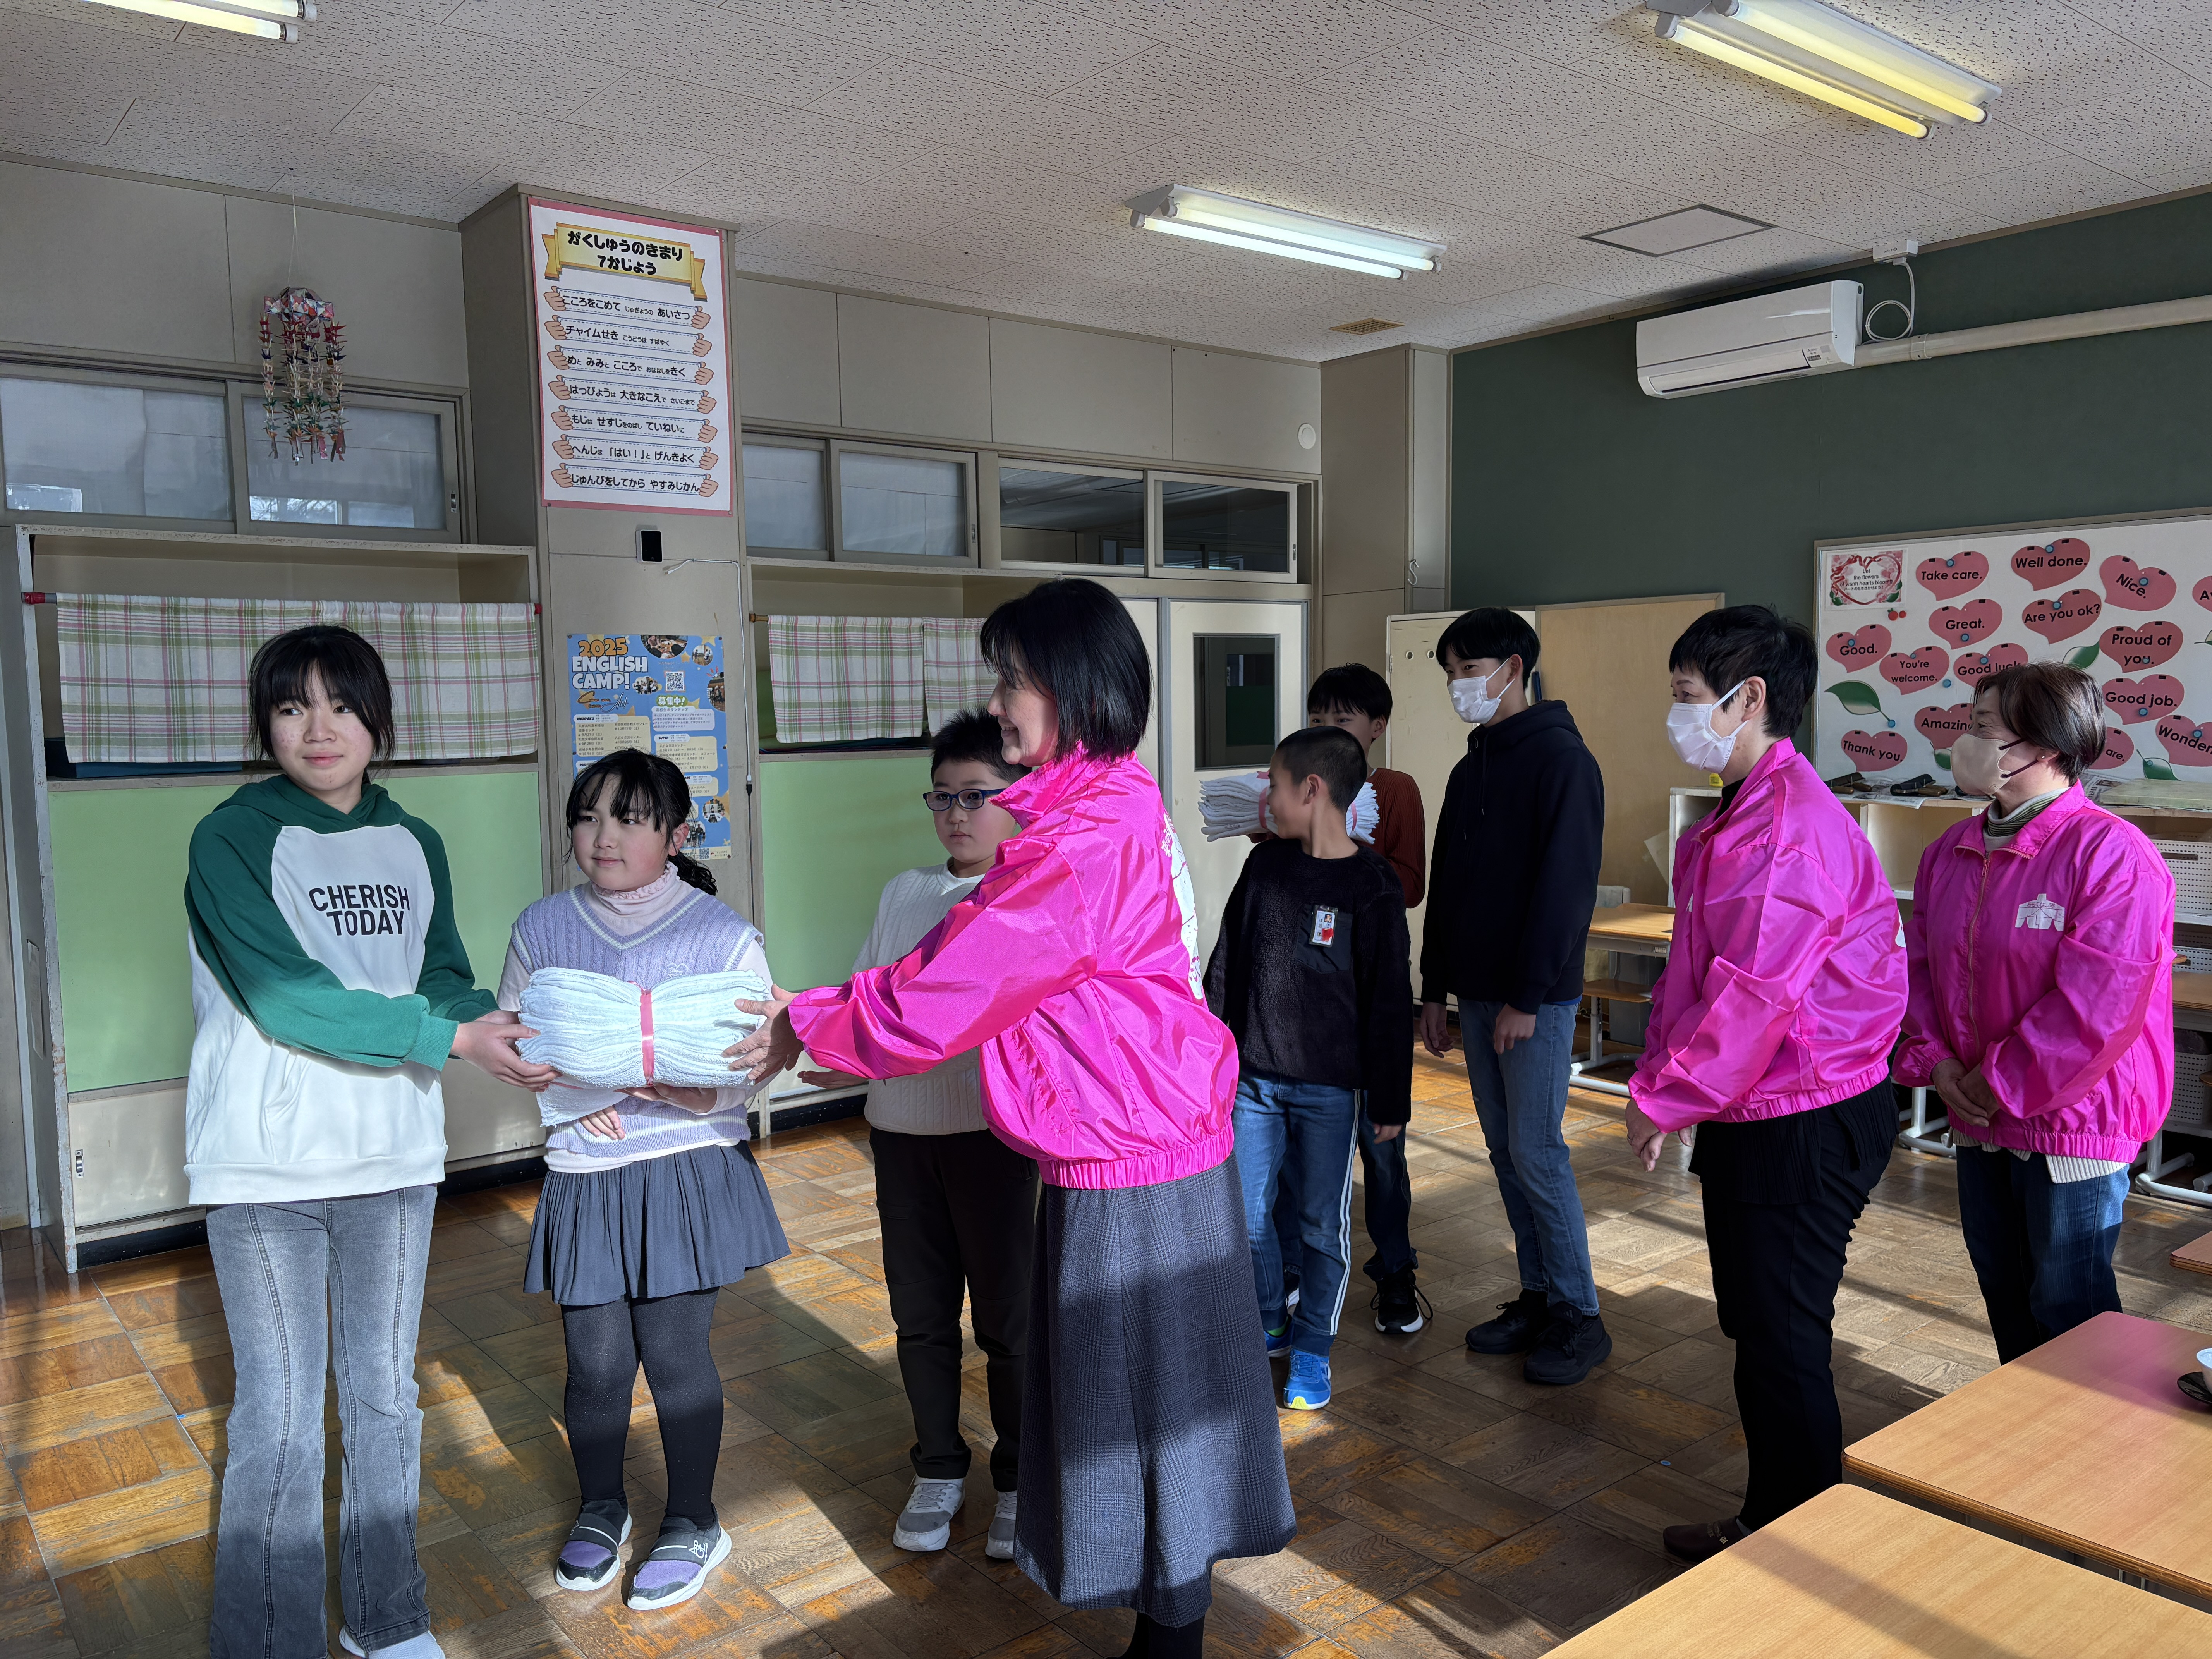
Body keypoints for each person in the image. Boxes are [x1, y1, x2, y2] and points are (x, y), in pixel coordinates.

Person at [732, 577, 1293, 1659]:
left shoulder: (1082, 836)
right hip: (1135, 1142)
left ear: (1074, 686)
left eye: (1012, 678)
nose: (998, 703)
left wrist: (810, 1022)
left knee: (1148, 1401)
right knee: (1137, 1397)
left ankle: (1171, 1634)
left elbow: (955, 983)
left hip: (1137, 1157)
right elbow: (961, 954)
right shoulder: (1089, 806)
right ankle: (1163, 1618)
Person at [185, 625, 557, 1659]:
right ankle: (270, 1640)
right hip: (265, 1168)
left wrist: (496, 1026)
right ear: (265, 724)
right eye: (293, 706)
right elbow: (285, 996)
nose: (319, 728)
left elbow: (440, 972)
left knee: (387, 1396)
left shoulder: (415, 840)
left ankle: (390, 1624)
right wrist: (448, 1034)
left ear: (377, 720)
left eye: (341, 705)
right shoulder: (231, 837)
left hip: (393, 1160)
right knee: (283, 1416)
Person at [1626, 605, 1906, 1565]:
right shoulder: (1739, 811)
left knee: (1783, 1339)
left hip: (1804, 1112)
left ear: (1750, 700)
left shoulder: (1785, 829)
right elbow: (1696, 971)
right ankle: (1774, 1522)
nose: (1676, 715)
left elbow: (1753, 996)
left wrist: (1664, 1097)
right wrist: (1665, 1081)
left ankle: (1795, 1549)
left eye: (1687, 698)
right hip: (1761, 1105)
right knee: (1759, 1326)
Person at [498, 749, 789, 1611]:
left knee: (672, 1353)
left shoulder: (721, 931)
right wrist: (560, 1106)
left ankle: (695, 1520)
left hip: (683, 1165)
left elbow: (761, 1053)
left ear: (675, 832)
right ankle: (601, 1509)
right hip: (588, 1168)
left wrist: (713, 1090)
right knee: (592, 1363)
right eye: (587, 817)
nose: (603, 836)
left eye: (629, 818)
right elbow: (513, 1039)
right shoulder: (542, 925)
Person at [796, 710, 1037, 1561]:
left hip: (994, 1142)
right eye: (944, 796)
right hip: (900, 1135)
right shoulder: (906, 891)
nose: (958, 814)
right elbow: (872, 1004)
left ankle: (1018, 1477)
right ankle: (938, 1465)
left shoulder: (1021, 899)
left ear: (1023, 798)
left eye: (979, 796)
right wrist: (830, 1052)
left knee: (1010, 1322)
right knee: (921, 1316)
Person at [1897, 665, 2173, 1364]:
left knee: (2071, 1307)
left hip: (2073, 1120)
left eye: (1983, 728)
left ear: (2044, 745)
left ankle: (2096, 1461)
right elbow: (1922, 973)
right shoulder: (1947, 852)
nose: (1968, 740)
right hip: (1977, 1109)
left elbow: (2097, 1008)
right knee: (2006, 1293)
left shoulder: (2112, 854)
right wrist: (1942, 1066)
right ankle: (2023, 1453)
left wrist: (1993, 1083)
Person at [1420, 607, 1611, 1384]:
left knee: (1537, 1150)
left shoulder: (1563, 761)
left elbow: (1565, 894)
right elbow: (1450, 887)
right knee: (1506, 1152)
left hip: (1532, 1000)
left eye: (1469, 671)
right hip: (1476, 994)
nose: (1460, 688)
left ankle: (1580, 1314)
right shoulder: (1473, 768)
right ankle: (1537, 1294)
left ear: (1513, 667)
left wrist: (1528, 996)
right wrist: (1433, 985)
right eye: (1452, 676)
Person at [1209, 724, 1412, 1411]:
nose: (1266, 795)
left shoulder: (1372, 885)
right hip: (1255, 1083)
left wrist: (1390, 1100)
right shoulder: (1266, 867)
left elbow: (1390, 998)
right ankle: (1270, 1315)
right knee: (1243, 1213)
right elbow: (1226, 967)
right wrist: (1211, 1061)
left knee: (1321, 1227)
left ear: (1312, 789)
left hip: (1332, 1091)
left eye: (1274, 782)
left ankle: (1313, 1354)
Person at [1270, 664, 1430, 1337]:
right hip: (1306, 1008)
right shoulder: (1294, 787)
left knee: (1382, 1152)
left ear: (1376, 727)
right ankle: (1289, 1275)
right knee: (1292, 1154)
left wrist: (1342, 844)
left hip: (1372, 1006)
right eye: (1319, 715)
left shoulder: (1393, 790)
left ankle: (1396, 1275)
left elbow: (1411, 884)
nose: (1328, 728)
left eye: (1343, 719)